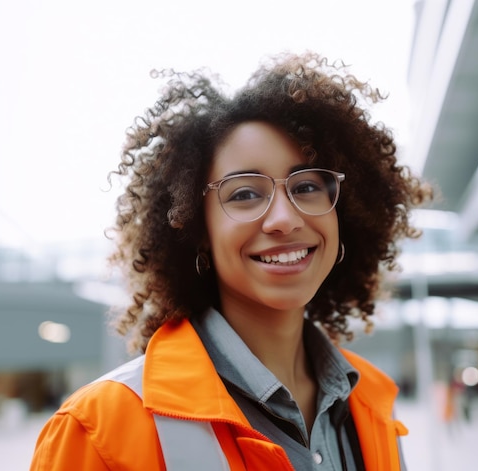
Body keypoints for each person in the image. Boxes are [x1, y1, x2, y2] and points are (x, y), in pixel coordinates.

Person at [30, 52, 432, 470]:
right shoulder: (97, 429)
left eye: (308, 185)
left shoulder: (373, 404)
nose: (284, 219)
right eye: (244, 194)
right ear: (196, 229)